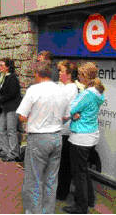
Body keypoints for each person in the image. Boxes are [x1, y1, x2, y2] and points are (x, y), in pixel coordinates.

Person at [16, 61, 68, 214]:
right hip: (57, 137)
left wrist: (36, 117)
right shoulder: (62, 91)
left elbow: (22, 116)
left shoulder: (34, 90)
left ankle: (34, 212)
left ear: (38, 74)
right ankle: (47, 212)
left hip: (39, 138)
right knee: (51, 179)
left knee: (34, 178)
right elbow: (66, 117)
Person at [63, 62, 105, 214]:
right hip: (91, 136)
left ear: (86, 76)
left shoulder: (87, 93)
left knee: (78, 173)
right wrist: (75, 114)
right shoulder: (98, 92)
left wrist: (73, 114)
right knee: (83, 170)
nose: (78, 78)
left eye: (80, 75)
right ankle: (90, 199)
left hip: (80, 137)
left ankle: (81, 207)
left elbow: (71, 108)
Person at [55, 60, 79, 201]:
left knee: (64, 163)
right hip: (57, 129)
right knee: (57, 162)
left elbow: (62, 107)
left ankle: (62, 193)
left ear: (69, 74)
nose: (59, 73)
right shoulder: (60, 86)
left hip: (65, 130)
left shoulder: (71, 89)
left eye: (61, 71)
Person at [0, 58, 22, 162]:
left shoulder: (12, 78)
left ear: (8, 67)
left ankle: (14, 154)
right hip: (5, 107)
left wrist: (0, 99)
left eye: (1, 65)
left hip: (12, 107)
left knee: (11, 130)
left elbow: (12, 94)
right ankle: (6, 150)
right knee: (0, 129)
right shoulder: (1, 76)